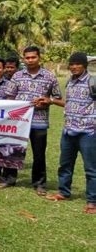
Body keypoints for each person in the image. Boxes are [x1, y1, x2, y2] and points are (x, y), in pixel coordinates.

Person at [5, 46, 64, 194]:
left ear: (39, 58)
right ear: (23, 59)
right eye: (27, 58)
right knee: (14, 149)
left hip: (39, 121)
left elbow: (59, 100)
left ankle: (39, 184)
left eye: (33, 57)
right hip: (18, 121)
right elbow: (9, 98)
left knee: (39, 154)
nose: (30, 60)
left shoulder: (49, 76)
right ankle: (10, 178)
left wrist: (48, 100)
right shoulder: (17, 76)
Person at [46, 52, 95, 215]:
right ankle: (64, 192)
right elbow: (69, 104)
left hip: (88, 132)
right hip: (68, 131)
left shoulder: (92, 82)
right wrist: (52, 101)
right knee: (65, 165)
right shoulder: (70, 82)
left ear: (84, 65)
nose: (74, 67)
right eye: (71, 64)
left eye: (77, 64)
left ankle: (92, 202)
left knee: (91, 169)